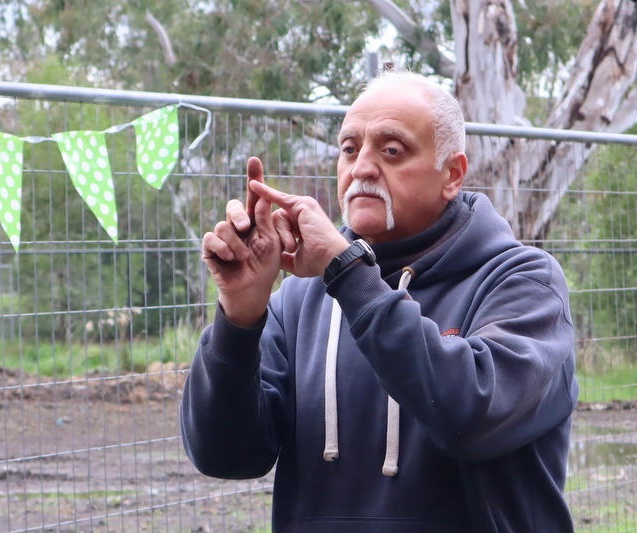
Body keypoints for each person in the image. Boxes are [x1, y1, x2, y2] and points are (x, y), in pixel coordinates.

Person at [180, 69, 578, 532]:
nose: (362, 167)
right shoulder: (299, 298)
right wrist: (240, 317)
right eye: (349, 149)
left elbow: (470, 417)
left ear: (451, 174)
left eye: (392, 150)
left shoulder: (523, 282)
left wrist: (347, 273)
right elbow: (224, 454)